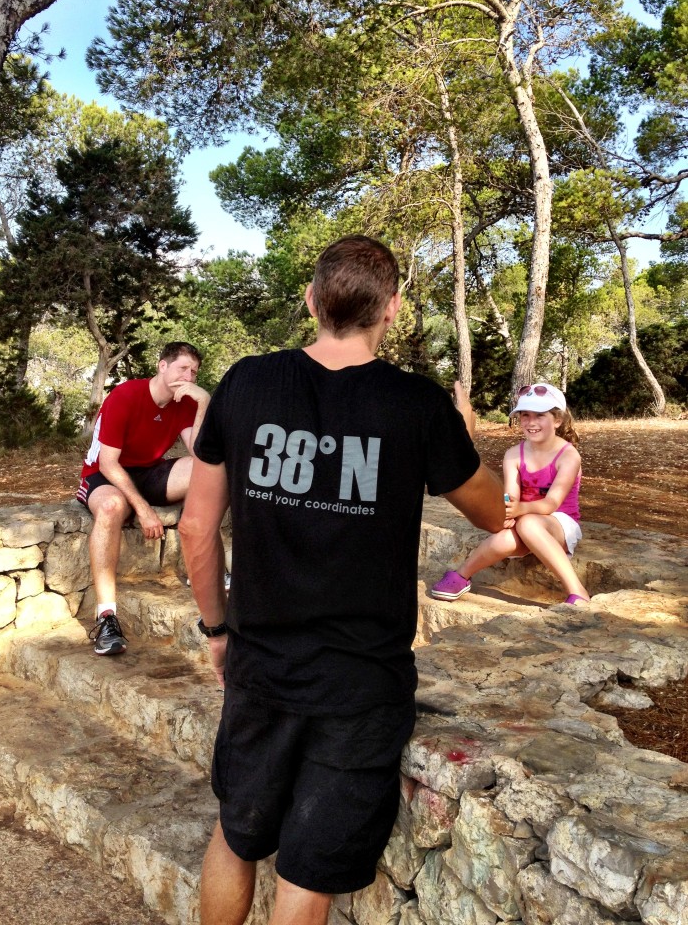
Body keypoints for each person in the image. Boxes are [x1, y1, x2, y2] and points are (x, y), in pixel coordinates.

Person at [178, 235, 504, 925]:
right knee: (308, 873)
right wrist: (460, 435)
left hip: (260, 665)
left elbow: (195, 529)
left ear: (310, 300)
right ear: (391, 309)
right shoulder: (414, 405)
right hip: (362, 682)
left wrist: (216, 631)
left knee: (235, 837)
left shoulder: (244, 382)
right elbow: (488, 508)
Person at [77, 341, 210, 655]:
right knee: (112, 506)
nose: (188, 376)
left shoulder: (186, 403)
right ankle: (107, 617)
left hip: (149, 472)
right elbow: (108, 463)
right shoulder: (125, 396)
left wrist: (203, 403)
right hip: (104, 473)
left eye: (194, 372)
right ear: (162, 366)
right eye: (182, 368)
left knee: (209, 474)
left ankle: (205, 570)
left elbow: (203, 456)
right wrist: (143, 509)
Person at [431, 381, 591, 607]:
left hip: (560, 522)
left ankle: (577, 591)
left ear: (557, 420)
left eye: (539, 415)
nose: (531, 422)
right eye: (525, 415)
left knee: (528, 525)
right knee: (505, 538)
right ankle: (462, 575)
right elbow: (510, 495)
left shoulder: (568, 456)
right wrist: (507, 512)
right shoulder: (514, 455)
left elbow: (552, 502)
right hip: (525, 518)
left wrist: (521, 510)